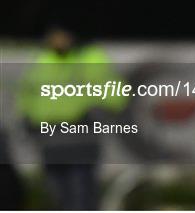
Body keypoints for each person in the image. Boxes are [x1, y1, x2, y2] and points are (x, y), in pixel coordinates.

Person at [17, 25, 129, 210]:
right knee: (58, 197)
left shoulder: (89, 58)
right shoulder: (41, 61)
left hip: (80, 140)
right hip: (50, 141)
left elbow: (115, 94)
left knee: (80, 197)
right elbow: (26, 95)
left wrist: (98, 113)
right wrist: (27, 118)